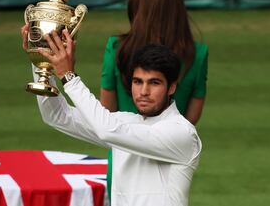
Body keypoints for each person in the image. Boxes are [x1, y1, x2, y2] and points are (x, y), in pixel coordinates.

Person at [23, 28, 202, 206]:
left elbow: (108, 130)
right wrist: (41, 61)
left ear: (172, 87)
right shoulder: (126, 123)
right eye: (138, 82)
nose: (144, 92)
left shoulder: (182, 133)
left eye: (154, 83)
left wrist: (69, 77)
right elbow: (57, 115)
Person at [100, 0, 208, 196]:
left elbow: (107, 112)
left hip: (122, 164)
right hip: (167, 163)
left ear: (136, 4)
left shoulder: (116, 47)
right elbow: (191, 118)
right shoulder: (197, 54)